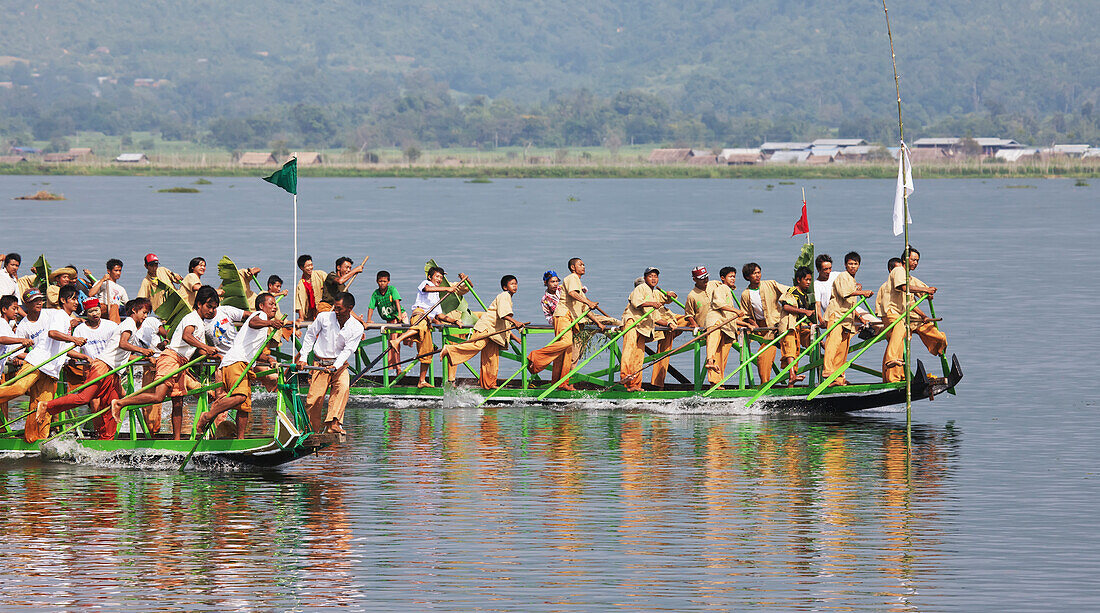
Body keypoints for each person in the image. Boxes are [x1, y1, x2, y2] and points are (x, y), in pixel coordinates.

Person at [36, 298, 156, 440]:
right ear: (135, 311)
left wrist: (145, 357)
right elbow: (123, 344)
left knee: (112, 405)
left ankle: (106, 439)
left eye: (148, 313)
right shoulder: (129, 323)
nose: (146, 316)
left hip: (113, 372)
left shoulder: (130, 326)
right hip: (103, 366)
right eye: (144, 312)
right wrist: (142, 351)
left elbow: (124, 353)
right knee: (84, 397)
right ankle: (46, 406)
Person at [111, 285, 220, 439]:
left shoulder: (200, 323)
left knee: (178, 403)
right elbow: (187, 336)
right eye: (209, 306)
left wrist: (217, 356)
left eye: (214, 308)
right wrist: (206, 347)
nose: (211, 311)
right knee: (158, 397)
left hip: (181, 363)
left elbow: (199, 350)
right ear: (199, 304)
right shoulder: (192, 317)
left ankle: (176, 441)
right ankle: (120, 403)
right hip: (170, 359)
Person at [0, 287, 88, 442]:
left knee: (43, 407)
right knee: (19, 388)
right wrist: (74, 339)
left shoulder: (62, 319)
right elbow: (52, 333)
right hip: (37, 362)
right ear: (63, 300)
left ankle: (37, 440)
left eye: (76, 299)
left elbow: (64, 349)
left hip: (51, 370)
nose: (76, 303)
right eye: (73, 299)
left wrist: (85, 358)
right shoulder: (58, 314)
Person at [195, 293, 288, 438]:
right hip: (235, 362)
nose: (274, 307)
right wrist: (271, 323)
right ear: (261, 306)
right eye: (271, 304)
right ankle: (207, 416)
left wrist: (268, 359)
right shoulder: (260, 316)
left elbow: (254, 352)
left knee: (244, 407)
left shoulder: (262, 327)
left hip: (242, 364)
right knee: (240, 397)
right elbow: (253, 322)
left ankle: (240, 439)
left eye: (275, 304)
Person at [527, 258, 604, 392]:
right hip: (562, 316)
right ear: (573, 267)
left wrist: (597, 321)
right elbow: (572, 293)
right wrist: (589, 302)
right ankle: (536, 356)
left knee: (565, 353)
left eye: (584, 264)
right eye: (580, 264)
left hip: (570, 318)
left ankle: (560, 383)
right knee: (566, 343)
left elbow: (580, 305)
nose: (583, 266)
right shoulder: (572, 277)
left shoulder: (574, 282)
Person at [389, 267, 468, 388]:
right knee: (420, 326)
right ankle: (397, 340)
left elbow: (440, 315)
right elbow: (427, 289)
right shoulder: (426, 283)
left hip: (428, 322)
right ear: (430, 277)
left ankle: (421, 381)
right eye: (437, 276)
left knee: (427, 352)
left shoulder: (437, 295)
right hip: (419, 314)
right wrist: (447, 288)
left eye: (441, 277)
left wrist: (455, 320)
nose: (439, 279)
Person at [297, 292, 365, 434]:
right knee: (314, 399)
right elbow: (310, 336)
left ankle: (333, 423)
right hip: (320, 364)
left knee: (343, 388)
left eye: (339, 309)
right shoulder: (324, 317)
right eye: (335, 307)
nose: (336, 311)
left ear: (349, 308)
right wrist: (303, 357)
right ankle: (310, 431)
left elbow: (348, 350)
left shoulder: (357, 327)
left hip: (339, 365)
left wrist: (335, 366)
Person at [441, 275, 524, 388]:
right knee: (476, 345)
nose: (515, 286)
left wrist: (514, 337)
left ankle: (488, 384)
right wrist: (516, 322)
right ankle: (449, 349)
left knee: (491, 358)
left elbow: (504, 323)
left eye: (516, 284)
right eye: (512, 284)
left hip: (494, 333)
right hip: (487, 328)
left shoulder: (507, 297)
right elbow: (504, 314)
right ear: (505, 287)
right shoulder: (505, 296)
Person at [882, 247, 947, 381]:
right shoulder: (898, 271)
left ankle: (940, 346)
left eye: (917, 260)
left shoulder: (908, 277)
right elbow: (905, 288)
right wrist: (925, 289)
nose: (915, 263)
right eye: (913, 260)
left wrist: (924, 313)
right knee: (899, 337)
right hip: (894, 314)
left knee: (930, 329)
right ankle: (892, 365)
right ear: (905, 260)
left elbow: (911, 302)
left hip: (906, 315)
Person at [822, 252, 874, 386]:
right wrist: (862, 292)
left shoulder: (852, 280)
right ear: (845, 265)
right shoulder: (843, 276)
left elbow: (851, 304)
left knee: (843, 348)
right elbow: (845, 294)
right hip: (837, 316)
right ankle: (828, 371)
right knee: (833, 343)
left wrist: (860, 318)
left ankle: (837, 377)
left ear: (859, 266)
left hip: (847, 318)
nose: (852, 266)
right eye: (850, 263)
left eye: (855, 264)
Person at [619, 268, 675, 392]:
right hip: (633, 323)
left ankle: (635, 385)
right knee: (629, 350)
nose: (653, 278)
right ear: (645, 278)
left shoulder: (654, 293)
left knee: (639, 356)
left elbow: (657, 315)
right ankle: (625, 376)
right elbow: (636, 303)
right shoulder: (640, 288)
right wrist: (651, 304)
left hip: (644, 328)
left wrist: (668, 323)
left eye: (656, 276)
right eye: (651, 276)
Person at [740, 263, 789, 385]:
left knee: (773, 353)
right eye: (754, 273)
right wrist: (752, 323)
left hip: (775, 325)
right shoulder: (746, 294)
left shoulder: (770, 284)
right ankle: (765, 383)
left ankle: (778, 381)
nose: (757, 275)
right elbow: (745, 314)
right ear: (747, 277)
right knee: (763, 356)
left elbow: (789, 291)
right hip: (761, 328)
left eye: (758, 272)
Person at [703, 266, 751, 388]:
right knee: (713, 348)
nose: (733, 279)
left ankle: (718, 382)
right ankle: (710, 363)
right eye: (730, 276)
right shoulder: (722, 288)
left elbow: (730, 317)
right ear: (723, 278)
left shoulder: (728, 291)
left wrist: (746, 324)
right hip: (716, 323)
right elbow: (718, 303)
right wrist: (736, 310)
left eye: (734, 276)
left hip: (726, 327)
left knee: (722, 356)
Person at [777, 267, 817, 387]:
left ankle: (791, 383)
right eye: (806, 280)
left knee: (796, 352)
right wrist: (805, 312)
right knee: (790, 350)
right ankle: (791, 375)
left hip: (798, 326)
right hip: (788, 326)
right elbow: (786, 307)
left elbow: (801, 313)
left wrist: (809, 322)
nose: (808, 282)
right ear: (799, 280)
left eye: (810, 280)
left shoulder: (804, 295)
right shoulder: (792, 291)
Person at [0, 294, 33, 421]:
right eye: (14, 308)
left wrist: (35, 356)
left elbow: (15, 353)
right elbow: (1, 339)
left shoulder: (8, 327)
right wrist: (21, 340)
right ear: (4, 310)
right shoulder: (1, 322)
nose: (16, 312)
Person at [366, 270, 405, 372]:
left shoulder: (392, 290)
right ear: (377, 281)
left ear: (388, 282)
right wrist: (369, 320)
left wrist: (400, 315)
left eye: (384, 281)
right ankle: (397, 368)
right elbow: (371, 307)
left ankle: (398, 366)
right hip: (390, 320)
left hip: (400, 317)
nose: (382, 283)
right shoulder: (376, 294)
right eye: (380, 281)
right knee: (393, 342)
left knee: (406, 340)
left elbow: (397, 301)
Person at [85, 258, 129, 323]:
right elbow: (90, 294)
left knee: (115, 306)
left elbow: (127, 304)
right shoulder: (103, 283)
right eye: (116, 270)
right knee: (114, 306)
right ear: (109, 271)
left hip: (114, 310)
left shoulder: (121, 289)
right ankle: (114, 327)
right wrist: (102, 280)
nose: (118, 273)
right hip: (102, 308)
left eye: (120, 271)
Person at [295, 254, 326, 322]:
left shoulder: (320, 275)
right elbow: (298, 303)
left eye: (311, 265)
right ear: (301, 268)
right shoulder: (301, 284)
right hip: (311, 313)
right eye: (308, 266)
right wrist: (301, 317)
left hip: (323, 310)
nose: (310, 267)